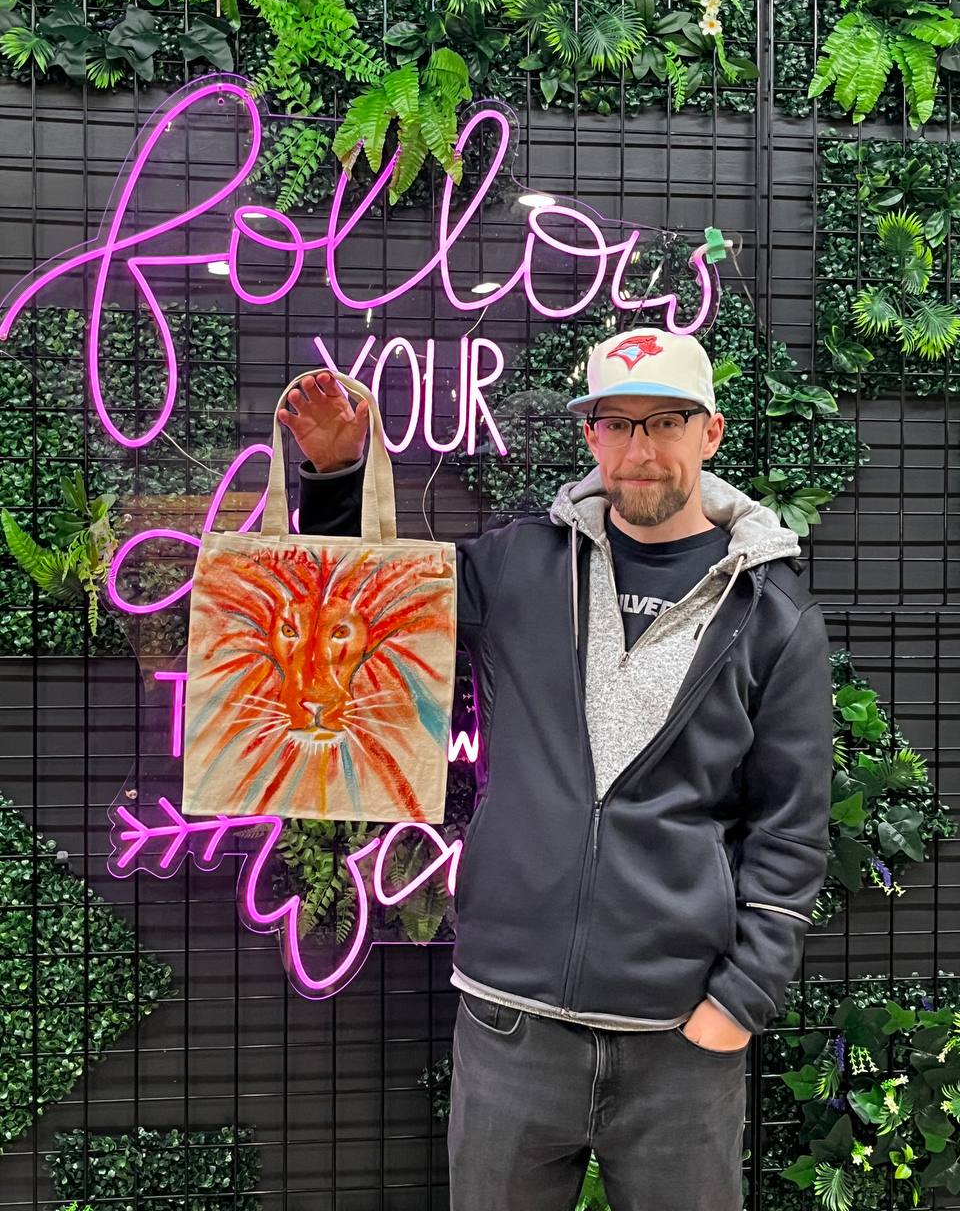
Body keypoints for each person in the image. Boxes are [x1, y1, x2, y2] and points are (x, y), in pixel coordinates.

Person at [279, 327, 834, 1211]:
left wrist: (739, 1003)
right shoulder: (517, 565)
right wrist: (336, 478)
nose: (641, 450)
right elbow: (360, 607)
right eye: (617, 424)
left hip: (678, 1042)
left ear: (711, 432)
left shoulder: (772, 614)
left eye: (666, 422)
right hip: (510, 1023)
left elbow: (791, 828)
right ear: (590, 436)